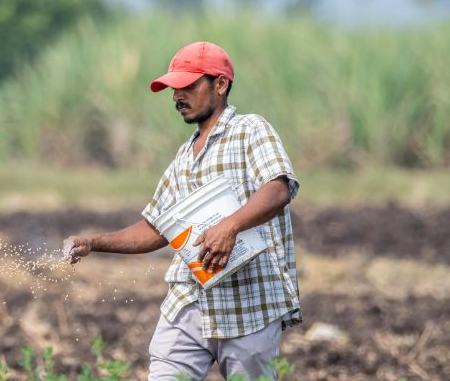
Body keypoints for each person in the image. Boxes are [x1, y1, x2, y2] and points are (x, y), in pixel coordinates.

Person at [63, 42, 301, 380]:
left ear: (220, 85)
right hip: (190, 300)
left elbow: (278, 189)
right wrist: (93, 242)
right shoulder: (183, 157)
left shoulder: (250, 130)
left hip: (250, 303)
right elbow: (156, 228)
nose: (177, 95)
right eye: (174, 88)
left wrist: (229, 227)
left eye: (188, 85)